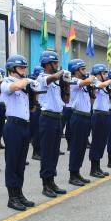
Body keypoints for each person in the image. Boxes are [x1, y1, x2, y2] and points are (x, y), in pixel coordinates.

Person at [1, 55, 36, 211]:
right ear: (13, 68)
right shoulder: (7, 82)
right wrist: (28, 81)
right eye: (21, 68)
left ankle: (19, 193)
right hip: (13, 126)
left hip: (24, 126)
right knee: (12, 162)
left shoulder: (24, 85)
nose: (24, 70)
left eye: (24, 68)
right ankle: (12, 197)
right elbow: (14, 87)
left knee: (21, 163)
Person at [37, 51, 69, 198]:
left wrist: (65, 85)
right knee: (47, 152)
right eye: (54, 63)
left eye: (57, 63)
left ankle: (52, 181)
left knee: (55, 152)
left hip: (57, 117)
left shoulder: (57, 80)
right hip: (47, 118)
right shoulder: (42, 78)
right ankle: (45, 184)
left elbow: (66, 100)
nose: (57, 65)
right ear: (47, 64)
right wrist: (62, 74)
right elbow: (54, 77)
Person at [67, 59, 95, 186]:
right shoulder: (73, 80)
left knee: (82, 146)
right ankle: (72, 175)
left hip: (85, 116)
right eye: (82, 69)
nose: (85, 71)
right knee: (76, 146)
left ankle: (77, 172)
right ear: (76, 70)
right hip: (77, 116)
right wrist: (93, 77)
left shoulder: (83, 83)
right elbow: (88, 81)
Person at [29, 66, 44, 160]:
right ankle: (35, 152)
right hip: (35, 109)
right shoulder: (33, 83)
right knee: (36, 132)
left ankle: (39, 151)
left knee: (40, 132)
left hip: (40, 108)